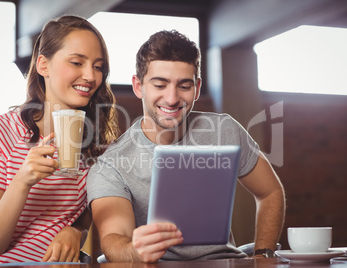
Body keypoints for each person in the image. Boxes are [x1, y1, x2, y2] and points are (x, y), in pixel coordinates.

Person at [87, 30, 285, 263]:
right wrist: (134, 250)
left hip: (224, 262)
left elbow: (270, 192)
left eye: (184, 86)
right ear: (138, 86)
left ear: (197, 87)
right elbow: (113, 240)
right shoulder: (111, 164)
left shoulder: (224, 130)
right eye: (160, 85)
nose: (171, 98)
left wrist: (263, 255)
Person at [0, 15, 119, 266]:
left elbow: (89, 205)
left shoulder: (96, 144)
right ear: (43, 65)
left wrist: (77, 230)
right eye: (77, 62)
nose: (90, 76)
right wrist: (22, 181)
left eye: (98, 66)